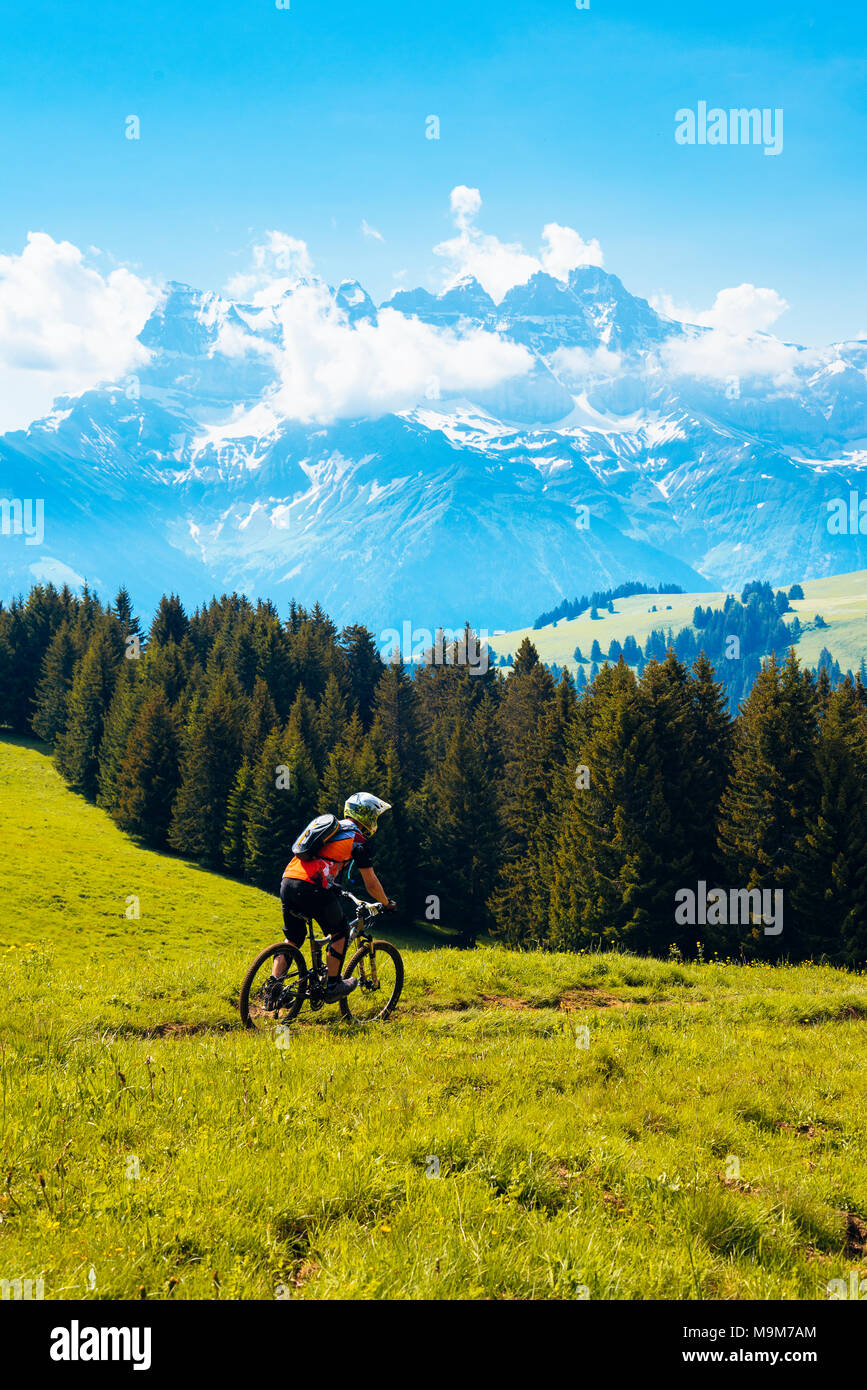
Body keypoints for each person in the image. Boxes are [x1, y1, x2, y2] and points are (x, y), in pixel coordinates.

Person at [263, 792, 396, 1005]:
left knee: (293, 939)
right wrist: (387, 903)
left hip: (288, 881)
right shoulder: (357, 841)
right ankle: (333, 985)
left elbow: (323, 861)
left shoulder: (329, 830)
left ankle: (273, 989)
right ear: (367, 817)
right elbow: (371, 884)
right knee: (340, 931)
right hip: (312, 887)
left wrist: (334, 886)